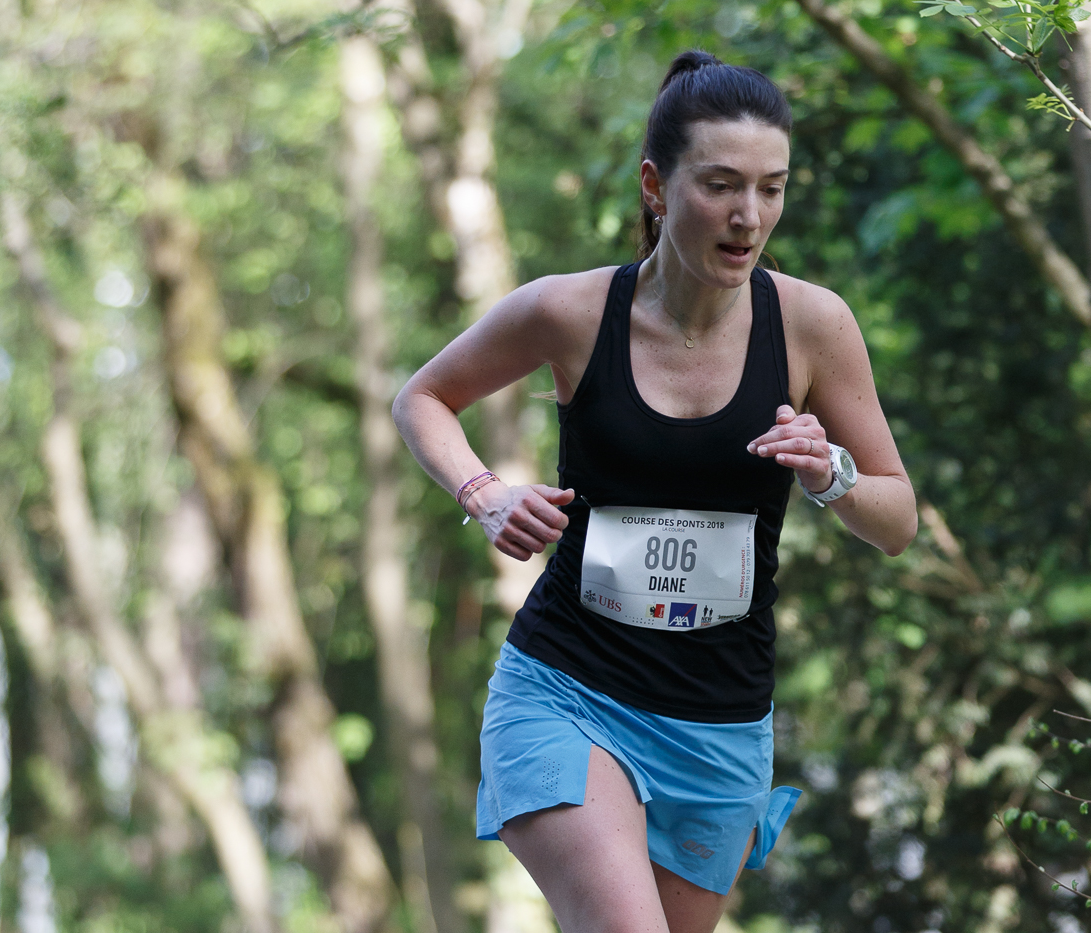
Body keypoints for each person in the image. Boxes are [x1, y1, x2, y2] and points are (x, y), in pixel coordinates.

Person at [393, 49, 917, 933]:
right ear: (655, 186)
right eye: (720, 185)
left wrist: (832, 474)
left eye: (772, 188)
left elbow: (897, 519)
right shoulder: (569, 312)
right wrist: (484, 493)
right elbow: (423, 397)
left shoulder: (811, 325)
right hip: (569, 689)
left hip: (719, 723)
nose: (749, 216)